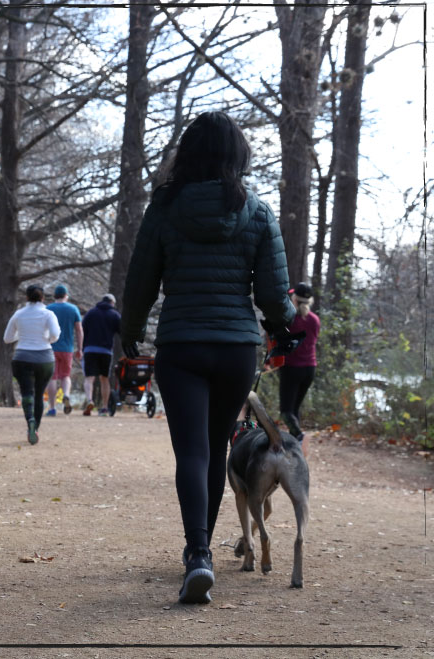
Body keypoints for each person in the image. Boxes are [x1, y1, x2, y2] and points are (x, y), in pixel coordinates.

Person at [120, 111, 296, 605]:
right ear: (237, 155)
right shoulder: (256, 211)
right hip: (237, 347)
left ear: (188, 154)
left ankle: (198, 553)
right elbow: (272, 292)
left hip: (181, 344)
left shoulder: (165, 208)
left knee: (192, 452)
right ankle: (202, 553)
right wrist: (284, 326)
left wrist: (130, 332)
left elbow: (141, 281)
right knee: (217, 448)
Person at [3, 285, 61, 445]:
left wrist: (21, 335)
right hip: (45, 358)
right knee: (39, 393)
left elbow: (7, 338)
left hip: (22, 357)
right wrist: (47, 339)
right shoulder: (48, 314)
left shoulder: (18, 314)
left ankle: (30, 420)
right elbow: (56, 334)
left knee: (27, 392)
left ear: (27, 297)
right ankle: (35, 428)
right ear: (43, 298)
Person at [278, 282, 320, 442]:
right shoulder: (314, 320)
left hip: (291, 369)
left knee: (286, 411)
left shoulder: (290, 320)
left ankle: (298, 437)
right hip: (309, 369)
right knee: (294, 409)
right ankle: (295, 443)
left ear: (294, 298)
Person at [80, 294, 121, 416]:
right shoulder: (114, 315)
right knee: (104, 379)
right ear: (112, 303)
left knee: (89, 378)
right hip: (106, 351)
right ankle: (104, 408)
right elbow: (121, 330)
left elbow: (82, 330)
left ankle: (89, 400)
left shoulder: (91, 313)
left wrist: (82, 347)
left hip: (89, 349)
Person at [45, 285, 83, 416]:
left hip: (51, 347)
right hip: (67, 349)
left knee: (52, 377)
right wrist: (80, 348)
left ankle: (52, 407)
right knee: (66, 376)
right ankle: (66, 395)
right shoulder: (73, 309)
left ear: (55, 295)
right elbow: (79, 330)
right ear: (66, 295)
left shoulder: (48, 309)